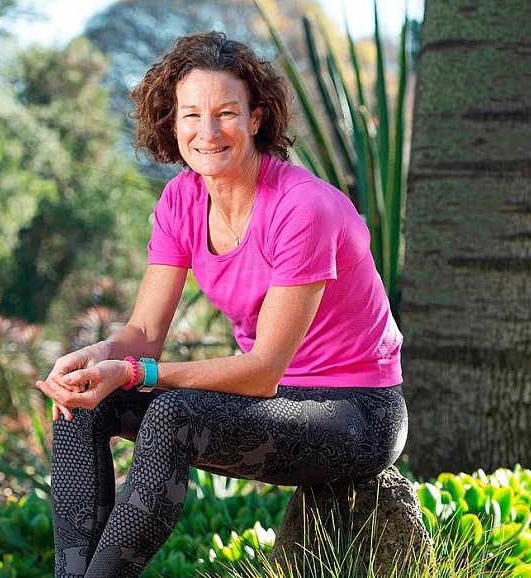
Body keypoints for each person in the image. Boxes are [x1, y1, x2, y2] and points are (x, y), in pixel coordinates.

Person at [36, 31, 407, 578]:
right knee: (81, 405)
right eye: (191, 115)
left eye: (225, 113)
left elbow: (261, 370)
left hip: (356, 412)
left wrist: (132, 372)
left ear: (256, 118)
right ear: (173, 122)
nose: (206, 132)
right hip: (271, 404)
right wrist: (95, 361)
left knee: (174, 414)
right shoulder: (181, 200)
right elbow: (143, 335)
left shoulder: (303, 208)